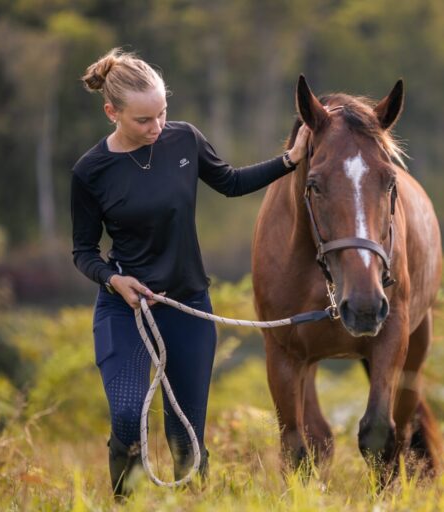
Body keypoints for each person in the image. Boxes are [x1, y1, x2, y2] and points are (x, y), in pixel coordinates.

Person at [70, 48, 309, 498]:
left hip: (187, 306)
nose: (157, 128)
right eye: (143, 120)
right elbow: (83, 251)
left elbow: (232, 182)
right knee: (126, 416)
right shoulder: (90, 172)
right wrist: (113, 280)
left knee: (186, 437)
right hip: (126, 310)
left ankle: (192, 503)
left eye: (162, 114)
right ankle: (126, 501)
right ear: (111, 112)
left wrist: (290, 160)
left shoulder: (184, 140)